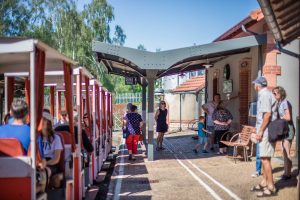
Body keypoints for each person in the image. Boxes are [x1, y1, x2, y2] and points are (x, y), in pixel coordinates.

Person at [251, 76, 277, 197]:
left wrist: (260, 131)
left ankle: (271, 186)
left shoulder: (265, 95)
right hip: (266, 131)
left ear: (258, 85)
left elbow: (267, 115)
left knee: (264, 159)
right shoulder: (266, 94)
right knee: (266, 158)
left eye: (255, 84)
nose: (254, 86)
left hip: (266, 132)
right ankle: (264, 182)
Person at [272, 86, 295, 180]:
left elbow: (288, 117)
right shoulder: (279, 103)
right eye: (273, 93)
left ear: (280, 93)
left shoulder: (285, 103)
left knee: (286, 152)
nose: (273, 94)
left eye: (275, 93)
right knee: (284, 152)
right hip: (284, 129)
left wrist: (279, 119)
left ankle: (288, 174)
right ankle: (286, 173)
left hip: (288, 129)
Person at [41, 112, 63, 188]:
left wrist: (44, 164)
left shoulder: (56, 138)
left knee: (43, 173)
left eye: (44, 121)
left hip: (51, 163)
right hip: (39, 162)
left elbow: (56, 159)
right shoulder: (36, 138)